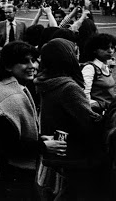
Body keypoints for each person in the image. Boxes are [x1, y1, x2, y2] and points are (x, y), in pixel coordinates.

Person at [0, 41, 66, 200]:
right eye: (24, 61)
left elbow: (14, 134)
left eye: (33, 60)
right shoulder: (10, 97)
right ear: (8, 66)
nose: (32, 66)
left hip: (12, 175)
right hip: (13, 176)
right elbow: (9, 146)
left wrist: (41, 139)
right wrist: (43, 146)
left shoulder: (10, 87)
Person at [34, 38, 108, 200]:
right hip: (78, 155)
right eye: (75, 52)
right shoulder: (68, 87)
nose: (78, 55)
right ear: (67, 57)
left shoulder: (46, 82)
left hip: (60, 151)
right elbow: (89, 122)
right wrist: (106, 114)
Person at [81, 33, 116, 114]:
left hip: (110, 110)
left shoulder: (106, 67)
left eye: (112, 47)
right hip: (99, 114)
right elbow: (84, 95)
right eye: (105, 48)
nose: (110, 50)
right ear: (94, 50)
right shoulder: (90, 68)